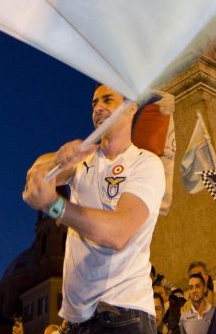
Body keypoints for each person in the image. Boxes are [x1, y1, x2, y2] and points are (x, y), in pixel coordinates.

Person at [23, 85, 165, 334]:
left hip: (122, 315)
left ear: (131, 107)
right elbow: (35, 174)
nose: (98, 108)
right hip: (77, 320)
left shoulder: (145, 163)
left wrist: (55, 206)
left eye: (108, 100)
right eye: (94, 103)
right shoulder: (83, 161)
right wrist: (58, 159)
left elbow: (118, 232)